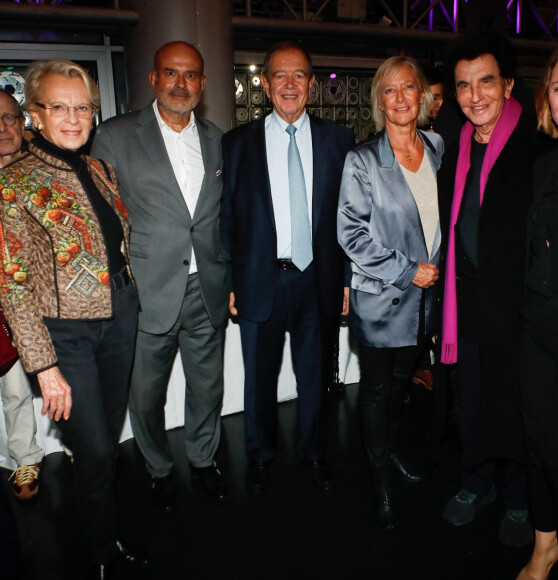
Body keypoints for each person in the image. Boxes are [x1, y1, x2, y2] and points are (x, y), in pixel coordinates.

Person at [0, 60, 146, 577]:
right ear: (34, 114)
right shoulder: (12, 182)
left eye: (82, 107)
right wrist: (44, 365)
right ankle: (101, 554)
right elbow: (11, 283)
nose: (73, 117)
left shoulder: (101, 169)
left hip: (120, 319)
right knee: (98, 449)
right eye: (58, 107)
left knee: (103, 444)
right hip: (66, 335)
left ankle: (101, 532)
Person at [91, 41, 230, 510]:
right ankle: (157, 467)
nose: (180, 83)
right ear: (153, 79)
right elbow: (101, 219)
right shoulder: (115, 136)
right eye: (170, 73)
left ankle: (204, 459)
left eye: (190, 75)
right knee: (145, 394)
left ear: (203, 83)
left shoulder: (217, 138)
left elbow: (219, 218)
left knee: (208, 387)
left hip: (207, 287)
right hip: (148, 290)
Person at [220, 40, 355, 493]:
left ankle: (315, 451)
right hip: (261, 279)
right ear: (264, 83)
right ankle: (259, 455)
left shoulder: (340, 141)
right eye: (280, 75)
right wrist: (230, 282)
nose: (290, 84)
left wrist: (347, 280)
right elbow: (227, 218)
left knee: (316, 376)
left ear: (312, 84)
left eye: (299, 75)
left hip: (318, 278)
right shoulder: (237, 143)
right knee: (258, 378)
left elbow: (350, 218)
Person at [438, 34, 536, 547]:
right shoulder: (456, 145)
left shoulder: (534, 147)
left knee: (515, 401)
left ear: (509, 84)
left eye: (486, 82)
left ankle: (520, 497)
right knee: (471, 397)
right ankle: (475, 483)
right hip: (466, 299)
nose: (475, 96)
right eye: (463, 86)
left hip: (519, 306)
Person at [338, 56, 443, 528]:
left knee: (401, 388)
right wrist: (408, 272)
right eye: (389, 90)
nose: (400, 98)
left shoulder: (439, 148)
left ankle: (388, 452)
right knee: (378, 393)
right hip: (384, 300)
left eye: (408, 88)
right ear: (380, 102)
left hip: (427, 304)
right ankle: (379, 478)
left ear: (422, 95)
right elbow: (352, 235)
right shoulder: (362, 159)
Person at [517, 42, 558, 580]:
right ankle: (544, 546)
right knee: (535, 445)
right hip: (535, 330)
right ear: (547, 98)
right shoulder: (542, 167)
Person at [0, 88, 44, 500]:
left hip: (49, 299)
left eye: (10, 117)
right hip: (4, 303)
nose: (3, 127)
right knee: (14, 387)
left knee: (62, 379)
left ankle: (77, 445)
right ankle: (24, 459)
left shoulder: (42, 169)